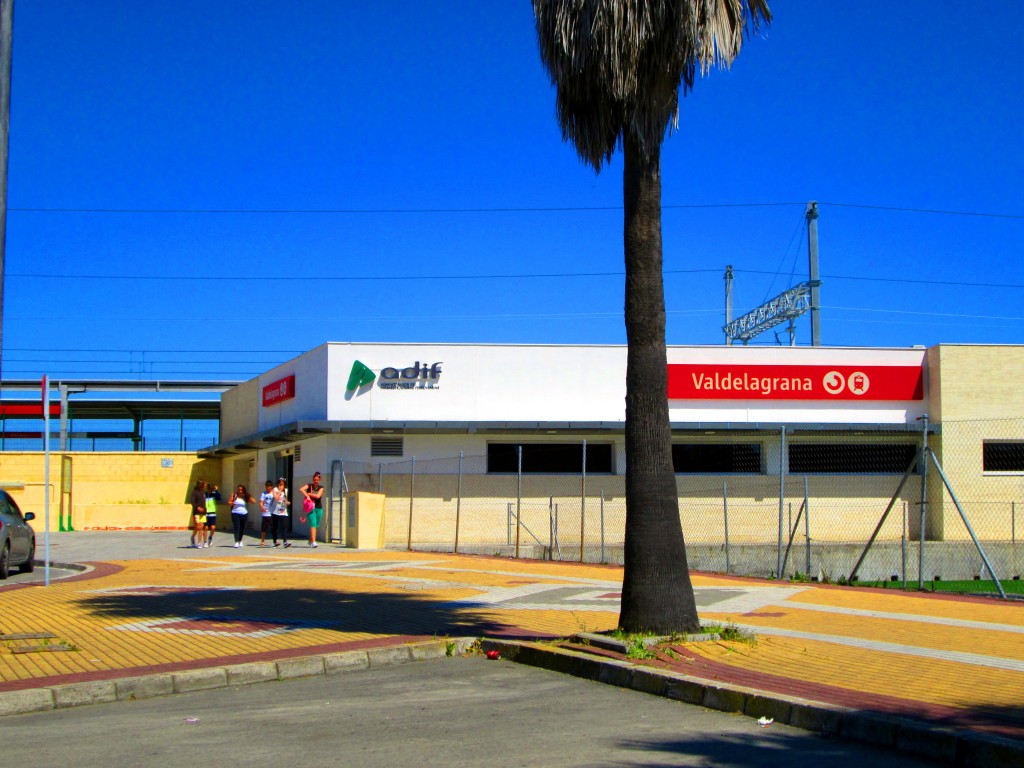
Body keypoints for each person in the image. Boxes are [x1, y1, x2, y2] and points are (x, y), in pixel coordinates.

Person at [300, 471, 325, 548]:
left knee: (316, 525)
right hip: (310, 508)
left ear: (319, 480)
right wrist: (307, 496)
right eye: (315, 479)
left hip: (319, 508)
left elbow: (318, 496)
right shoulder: (309, 485)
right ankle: (314, 542)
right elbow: (301, 489)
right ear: (313, 479)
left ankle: (310, 540)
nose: (316, 481)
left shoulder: (321, 488)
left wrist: (309, 494)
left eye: (317, 480)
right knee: (313, 524)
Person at [228, 484, 258, 548]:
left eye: (241, 490)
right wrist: (232, 503)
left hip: (244, 514)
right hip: (235, 513)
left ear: (243, 490)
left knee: (242, 528)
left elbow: (254, 501)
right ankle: (236, 542)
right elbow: (229, 502)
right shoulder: (234, 495)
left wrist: (248, 496)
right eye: (239, 489)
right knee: (237, 527)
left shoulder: (245, 496)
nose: (240, 491)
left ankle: (240, 540)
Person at [271, 477, 291, 548]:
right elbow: (276, 498)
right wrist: (279, 491)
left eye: (282, 484)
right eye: (280, 484)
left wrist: (287, 502)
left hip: (283, 511)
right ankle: (274, 541)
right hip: (275, 511)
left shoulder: (285, 491)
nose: (281, 485)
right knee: (275, 527)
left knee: (284, 526)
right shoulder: (275, 489)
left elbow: (285, 500)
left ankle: (285, 542)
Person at [203, 483, 222, 548]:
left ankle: (210, 537)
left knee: (213, 527)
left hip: (212, 513)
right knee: (205, 528)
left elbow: (219, 498)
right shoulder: (205, 494)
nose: (210, 490)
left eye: (211, 489)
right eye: (209, 489)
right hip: (205, 513)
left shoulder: (214, 494)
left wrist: (216, 490)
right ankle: (205, 542)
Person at [189, 479, 207, 549]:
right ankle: (193, 537)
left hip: (203, 513)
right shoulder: (195, 492)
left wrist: (205, 509)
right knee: (198, 527)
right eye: (204, 484)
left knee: (201, 527)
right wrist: (197, 507)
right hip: (196, 512)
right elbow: (192, 502)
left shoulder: (203, 492)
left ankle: (199, 543)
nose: (205, 485)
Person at [258, 480, 275, 547]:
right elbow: (261, 502)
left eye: (269, 486)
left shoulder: (273, 493)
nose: (267, 488)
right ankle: (262, 541)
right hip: (265, 513)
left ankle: (274, 541)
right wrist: (262, 507)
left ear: (271, 487)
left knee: (273, 527)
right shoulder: (263, 493)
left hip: (272, 512)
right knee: (264, 527)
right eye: (266, 486)